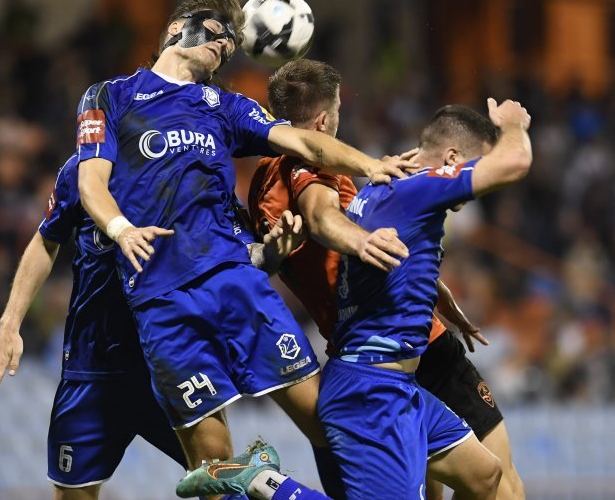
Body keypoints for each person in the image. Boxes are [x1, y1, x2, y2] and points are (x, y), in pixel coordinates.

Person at [74, 0, 415, 478]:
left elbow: (304, 141)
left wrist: (371, 164)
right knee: (215, 466)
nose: (225, 45)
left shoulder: (223, 105)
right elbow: (91, 183)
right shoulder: (111, 96)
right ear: (176, 29)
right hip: (160, 300)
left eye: (232, 42)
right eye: (216, 32)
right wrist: (121, 228)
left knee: (330, 424)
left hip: (234, 282)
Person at [179, 98, 531, 500]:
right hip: (372, 391)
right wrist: (512, 125)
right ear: (451, 159)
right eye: (470, 164)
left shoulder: (379, 191)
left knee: (486, 475)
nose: (471, 186)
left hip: (399, 385)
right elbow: (514, 163)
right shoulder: (414, 189)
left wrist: (433, 290)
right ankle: (259, 480)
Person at [0, 153, 303, 499]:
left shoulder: (197, 166)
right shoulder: (82, 170)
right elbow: (46, 240)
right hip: (93, 367)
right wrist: (10, 323)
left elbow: (240, 258)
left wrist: (274, 254)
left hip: (174, 362)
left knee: (222, 485)